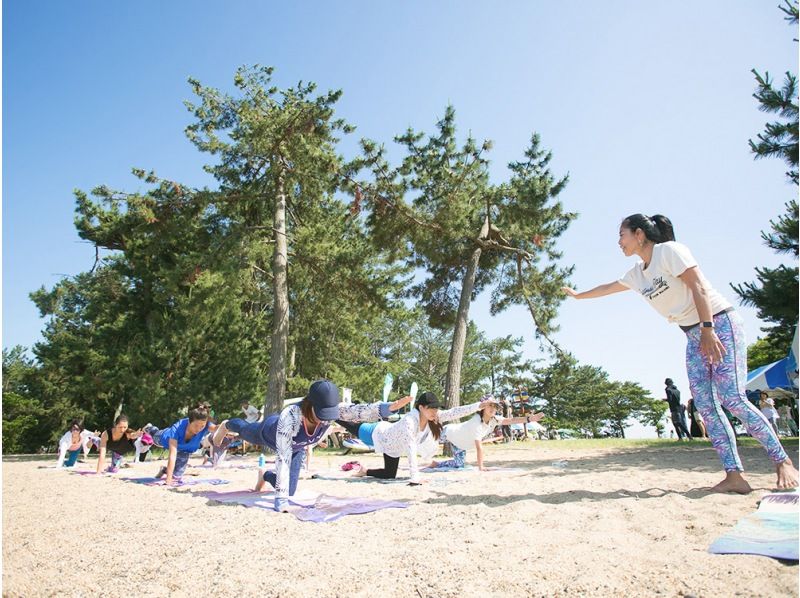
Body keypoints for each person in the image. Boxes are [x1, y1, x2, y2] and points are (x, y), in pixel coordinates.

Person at [562, 213, 798, 493]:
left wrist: (708, 329)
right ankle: (734, 475)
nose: (619, 242)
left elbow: (697, 285)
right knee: (706, 406)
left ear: (639, 234)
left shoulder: (669, 252)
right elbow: (608, 288)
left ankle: (782, 461)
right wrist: (578, 295)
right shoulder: (637, 273)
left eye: (622, 235)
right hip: (693, 334)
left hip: (719, 323)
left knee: (732, 397)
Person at [212, 380, 411, 512]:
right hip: (270, 434)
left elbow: (357, 411)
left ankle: (264, 474)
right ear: (309, 405)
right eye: (321, 414)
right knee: (246, 430)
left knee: (290, 490)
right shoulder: (290, 417)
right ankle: (227, 423)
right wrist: (280, 502)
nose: (324, 420)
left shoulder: (331, 410)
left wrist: (387, 408)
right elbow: (282, 457)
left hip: (297, 447)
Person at [341, 392, 495, 484]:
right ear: (421, 407)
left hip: (393, 448)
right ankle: (330, 412)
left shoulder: (433, 417)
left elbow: (455, 412)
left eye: (436, 408)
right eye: (431, 408)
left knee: (390, 474)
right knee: (347, 423)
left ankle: (364, 471)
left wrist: (478, 406)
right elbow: (411, 447)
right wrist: (415, 478)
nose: (435, 412)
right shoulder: (410, 421)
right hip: (376, 434)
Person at [431, 398, 544, 470]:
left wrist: (530, 419)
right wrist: (481, 467)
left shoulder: (494, 419)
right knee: (424, 443)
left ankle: (435, 464)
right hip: (448, 433)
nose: (492, 408)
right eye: (489, 405)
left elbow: (511, 420)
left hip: (460, 445)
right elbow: (479, 448)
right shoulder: (476, 423)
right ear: (483, 408)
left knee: (459, 465)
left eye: (494, 406)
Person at [143, 405, 211, 485]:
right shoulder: (178, 428)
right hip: (163, 439)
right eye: (196, 426)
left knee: (177, 476)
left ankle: (164, 470)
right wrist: (168, 480)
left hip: (182, 448)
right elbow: (172, 455)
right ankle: (150, 428)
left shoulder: (205, 424)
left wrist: (227, 427)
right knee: (155, 435)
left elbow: (218, 428)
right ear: (189, 422)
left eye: (202, 426)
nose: (199, 429)